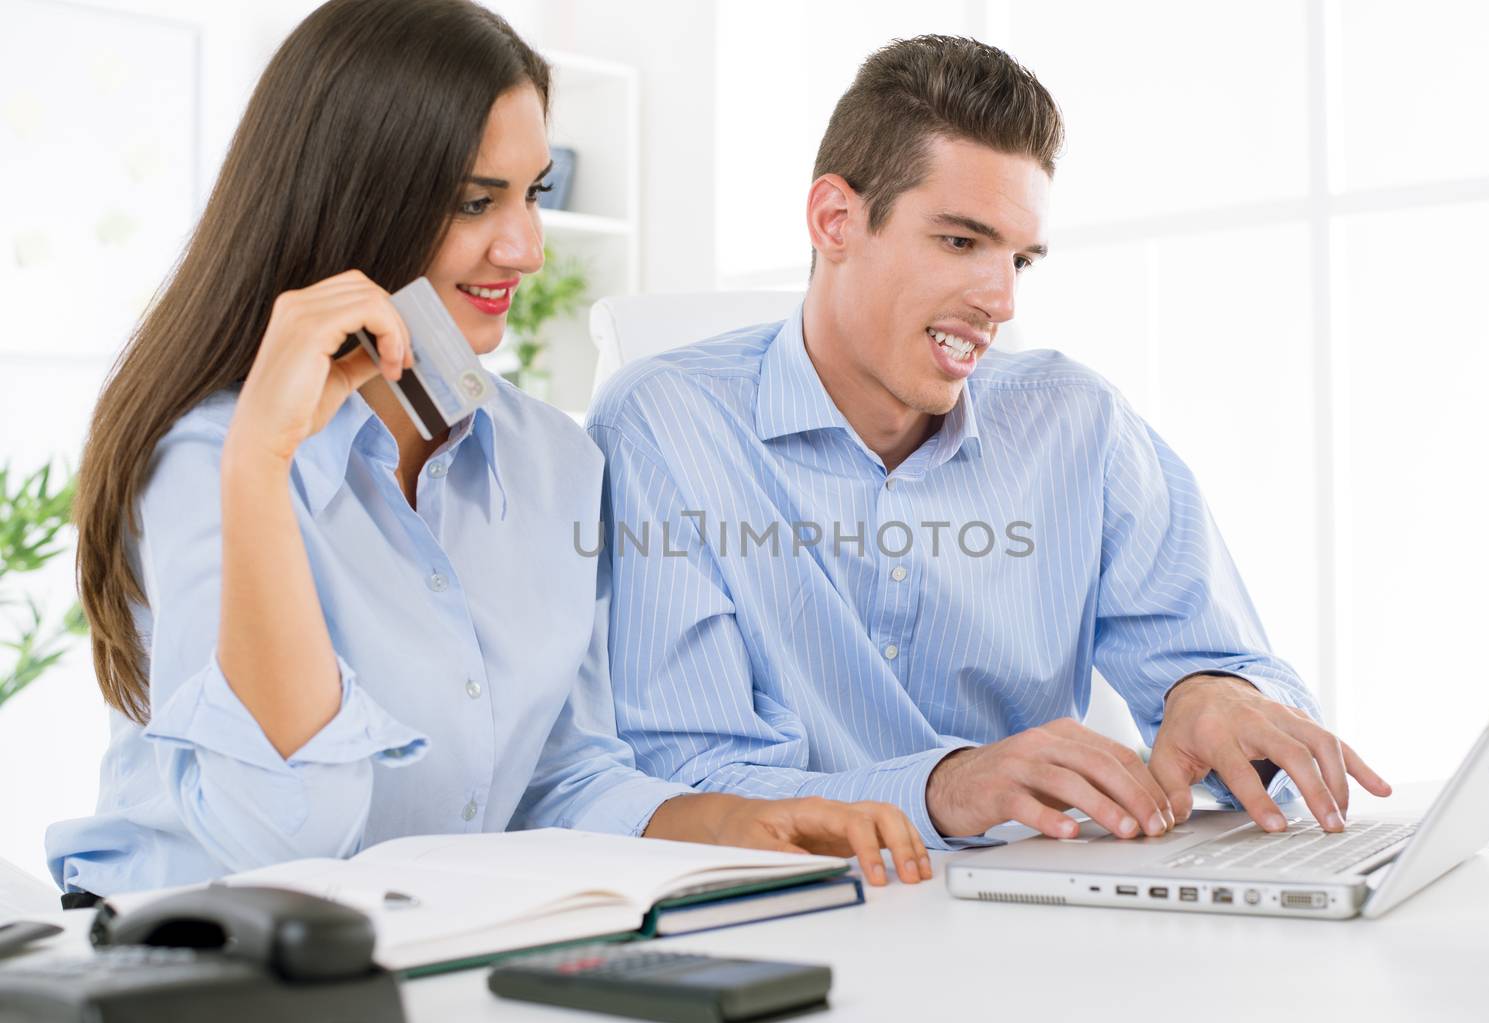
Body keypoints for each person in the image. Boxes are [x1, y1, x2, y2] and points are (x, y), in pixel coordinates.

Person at [47, 0, 930, 896]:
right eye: (477, 201)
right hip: (177, 958)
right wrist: (262, 465)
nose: (527, 248)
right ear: (351, 200)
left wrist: (735, 823)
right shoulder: (210, 459)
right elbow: (280, 843)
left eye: (534, 192)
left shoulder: (556, 461)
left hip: (418, 954)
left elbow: (560, 778)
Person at [587, 35, 1391, 850]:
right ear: (835, 220)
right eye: (961, 242)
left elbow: (1224, 672)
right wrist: (943, 789)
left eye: (1020, 259)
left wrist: (1213, 695)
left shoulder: (1077, 423)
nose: (999, 301)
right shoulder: (666, 427)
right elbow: (682, 783)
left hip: (1034, 919)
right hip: (788, 917)